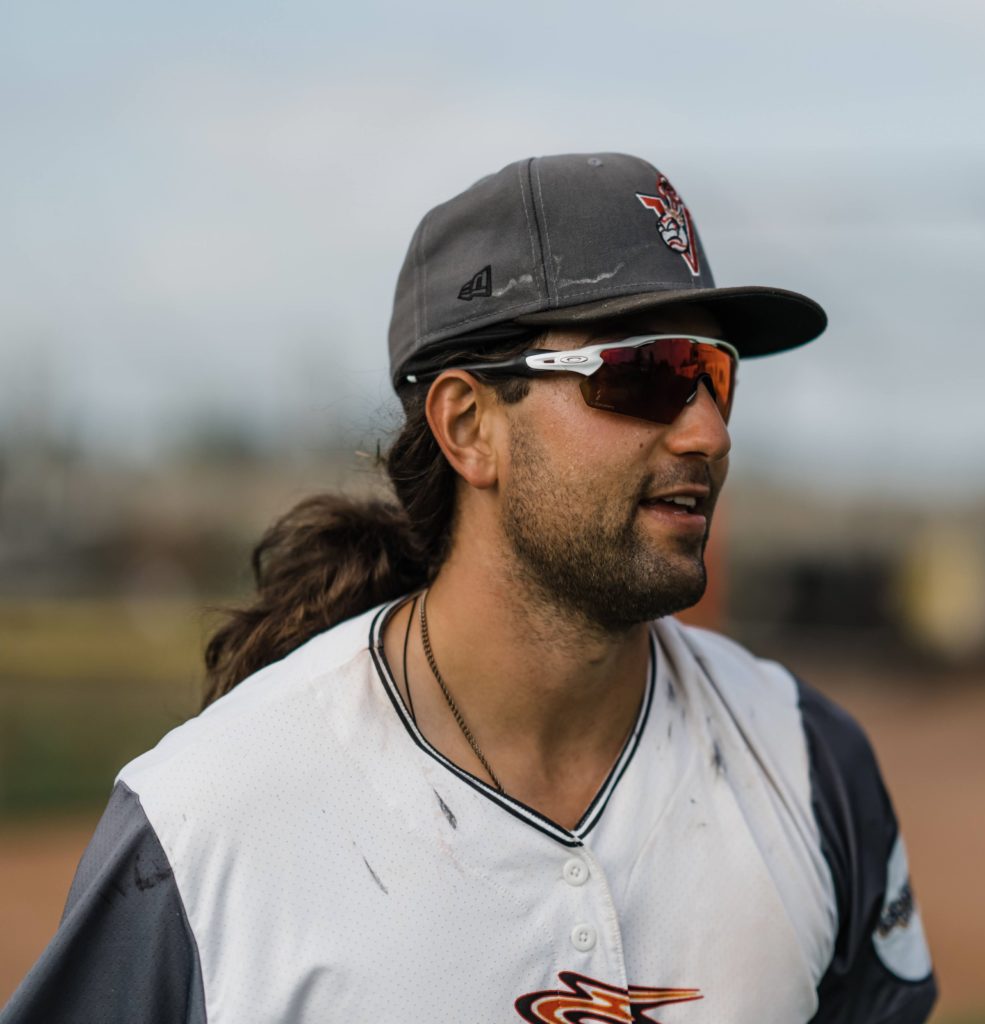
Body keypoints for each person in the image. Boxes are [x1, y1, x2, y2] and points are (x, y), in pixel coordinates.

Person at [1, 152, 937, 1023]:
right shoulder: (208, 821)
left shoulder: (809, 763)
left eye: (712, 375)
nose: (707, 434)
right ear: (467, 426)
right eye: (647, 374)